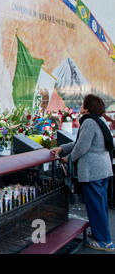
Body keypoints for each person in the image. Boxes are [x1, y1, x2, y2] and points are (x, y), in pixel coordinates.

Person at [50, 94, 114, 252]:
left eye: (83, 105)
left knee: (95, 205)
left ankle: (104, 241)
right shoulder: (100, 120)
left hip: (92, 171)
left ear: (87, 108)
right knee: (100, 204)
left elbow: (82, 147)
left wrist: (67, 158)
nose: (81, 107)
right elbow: (80, 142)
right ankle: (100, 233)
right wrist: (62, 148)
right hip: (103, 169)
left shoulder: (89, 122)